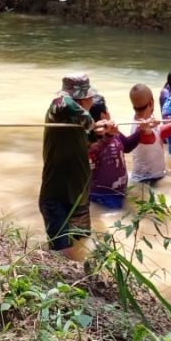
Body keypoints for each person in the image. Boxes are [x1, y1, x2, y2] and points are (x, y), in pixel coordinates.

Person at [38, 74, 110, 260]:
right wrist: (92, 123)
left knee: (83, 248)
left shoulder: (76, 122)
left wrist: (104, 132)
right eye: (90, 97)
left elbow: (89, 144)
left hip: (78, 198)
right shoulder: (59, 108)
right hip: (57, 199)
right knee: (64, 258)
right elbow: (62, 101)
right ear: (83, 99)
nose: (92, 101)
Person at [87, 96, 142, 209]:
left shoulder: (112, 131)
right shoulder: (90, 139)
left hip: (118, 192)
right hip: (102, 195)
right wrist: (108, 135)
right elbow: (94, 152)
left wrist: (141, 130)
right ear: (103, 115)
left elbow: (127, 146)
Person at [128, 84, 171, 186]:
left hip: (151, 177)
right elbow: (149, 136)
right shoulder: (141, 128)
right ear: (151, 103)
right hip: (146, 181)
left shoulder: (147, 119)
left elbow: (158, 134)